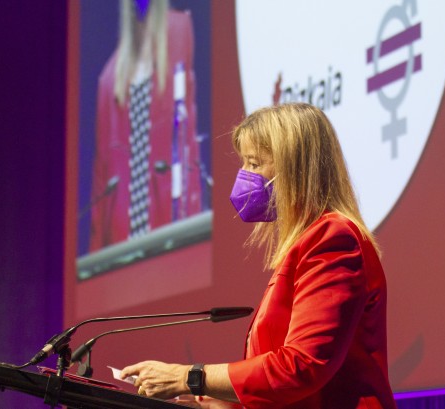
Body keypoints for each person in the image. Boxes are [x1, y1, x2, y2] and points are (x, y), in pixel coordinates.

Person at [120, 103, 397, 408]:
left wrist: (188, 376)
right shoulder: (307, 241)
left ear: (294, 168)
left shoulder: (331, 238)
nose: (243, 176)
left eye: (254, 163)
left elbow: (302, 366)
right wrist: (218, 403)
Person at [89, 0, 202, 252]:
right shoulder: (109, 79)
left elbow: (188, 150)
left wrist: (192, 235)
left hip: (168, 230)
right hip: (122, 243)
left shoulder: (178, 32)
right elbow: (100, 190)